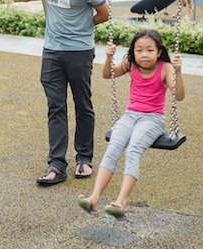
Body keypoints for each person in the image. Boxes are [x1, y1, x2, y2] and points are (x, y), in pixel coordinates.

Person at [21, 0, 109, 184]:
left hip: (79, 51)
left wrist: (81, 28)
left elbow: (104, 13)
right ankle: (56, 164)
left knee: (83, 104)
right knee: (55, 106)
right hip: (52, 51)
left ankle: (84, 157)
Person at [77, 29, 185, 220]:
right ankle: (94, 198)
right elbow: (107, 75)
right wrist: (109, 58)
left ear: (159, 52)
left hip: (152, 119)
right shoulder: (131, 64)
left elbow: (179, 96)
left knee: (133, 150)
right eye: (139, 50)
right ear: (133, 52)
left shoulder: (166, 67)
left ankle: (121, 201)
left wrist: (178, 71)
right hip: (129, 116)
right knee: (113, 149)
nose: (144, 55)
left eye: (150, 50)